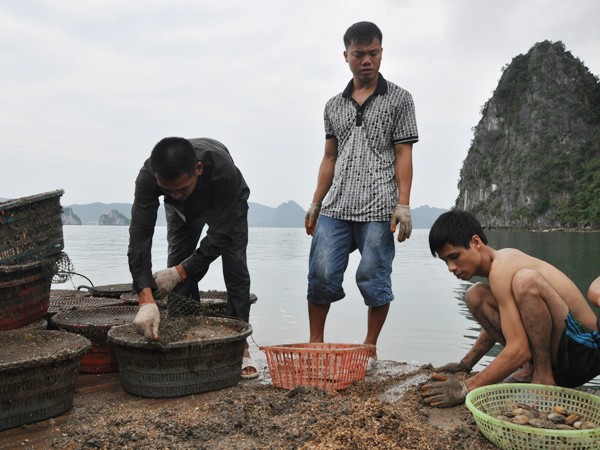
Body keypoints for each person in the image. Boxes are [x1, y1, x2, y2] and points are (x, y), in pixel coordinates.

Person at [305, 21, 419, 369]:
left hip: (379, 206)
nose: (367, 60)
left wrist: (404, 204)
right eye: (359, 54)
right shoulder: (333, 105)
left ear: (381, 53)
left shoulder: (400, 99)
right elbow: (329, 156)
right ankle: (314, 344)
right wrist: (315, 202)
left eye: (373, 53)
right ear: (346, 56)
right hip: (336, 206)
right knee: (321, 272)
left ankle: (368, 347)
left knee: (373, 274)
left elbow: (403, 154)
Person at [422, 210, 600, 407]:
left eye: (454, 256)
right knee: (476, 295)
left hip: (586, 351)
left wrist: (466, 387)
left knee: (526, 281)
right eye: (446, 261)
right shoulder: (496, 272)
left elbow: (519, 349)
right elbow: (508, 322)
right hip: (563, 355)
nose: (451, 267)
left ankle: (543, 375)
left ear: (476, 242)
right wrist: (466, 364)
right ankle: (533, 370)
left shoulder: (503, 266)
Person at [127, 136, 258, 378]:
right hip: (182, 215)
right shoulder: (147, 178)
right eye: (168, 190)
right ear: (156, 177)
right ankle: (184, 332)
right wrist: (145, 299)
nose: (176, 194)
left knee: (235, 265)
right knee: (178, 256)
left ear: (198, 169)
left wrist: (181, 272)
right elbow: (139, 238)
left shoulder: (223, 170)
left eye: (182, 189)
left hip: (227, 201)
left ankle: (241, 346)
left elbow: (220, 237)